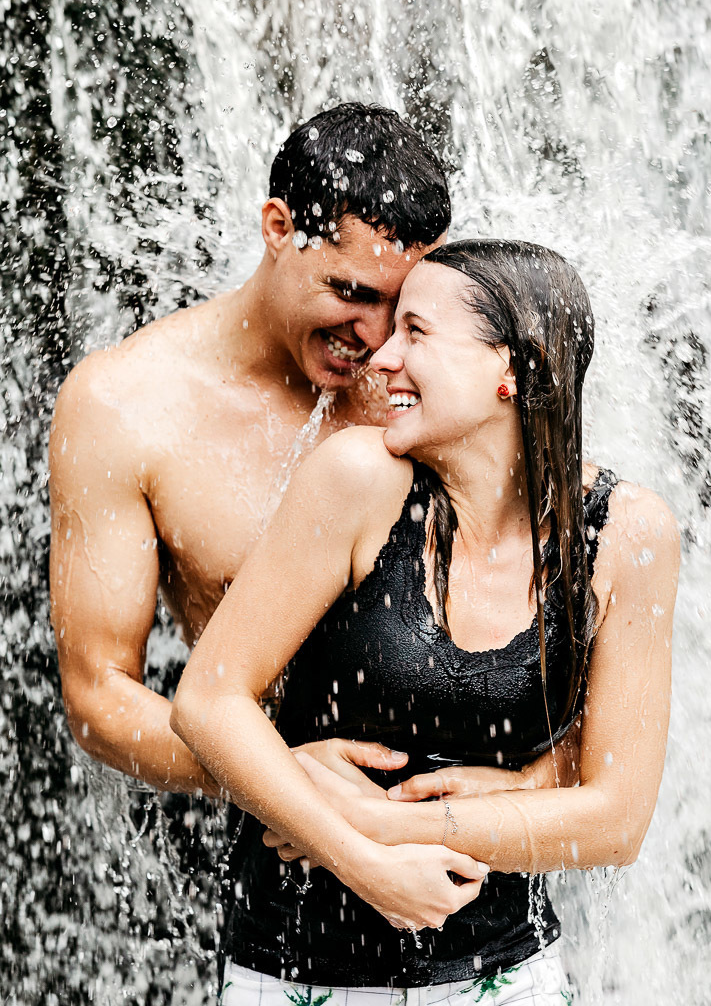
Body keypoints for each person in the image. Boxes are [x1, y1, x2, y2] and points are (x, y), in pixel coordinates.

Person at [171, 239, 680, 1004]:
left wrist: (378, 825)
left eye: (417, 333)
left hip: (506, 975)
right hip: (299, 971)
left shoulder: (628, 532)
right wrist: (359, 861)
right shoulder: (356, 481)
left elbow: (618, 818)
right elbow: (207, 701)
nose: (380, 359)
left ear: (514, 366)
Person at [50, 104, 567, 800]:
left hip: (479, 839)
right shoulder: (126, 405)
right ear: (277, 229)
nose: (381, 338)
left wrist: (534, 786)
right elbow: (99, 699)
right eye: (351, 293)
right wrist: (289, 781)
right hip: (272, 840)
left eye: (405, 303)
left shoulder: (440, 378)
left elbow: (580, 610)